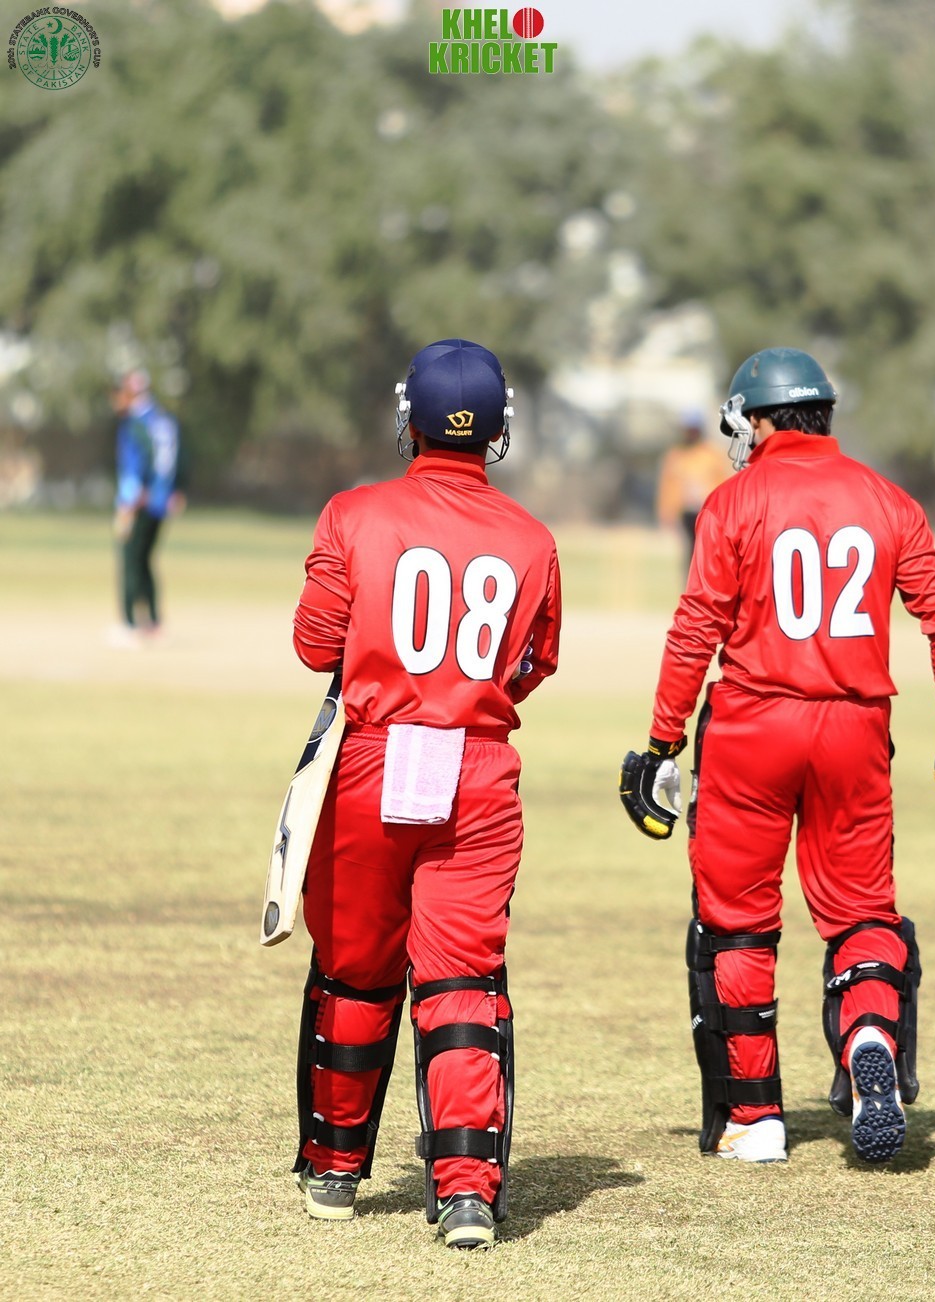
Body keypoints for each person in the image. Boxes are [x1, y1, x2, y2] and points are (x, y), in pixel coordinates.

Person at [619, 347, 935, 1166]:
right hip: (855, 729)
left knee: (737, 924)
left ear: (763, 420)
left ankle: (756, 1119)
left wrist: (661, 741)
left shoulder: (733, 501)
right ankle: (868, 1033)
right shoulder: (888, 498)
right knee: (862, 914)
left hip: (752, 726)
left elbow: (695, 630)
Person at [289, 339, 560, 1250]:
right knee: (461, 978)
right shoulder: (532, 539)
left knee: (355, 969)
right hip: (476, 764)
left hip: (373, 755)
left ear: (408, 420)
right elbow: (532, 665)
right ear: (498, 430)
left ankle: (334, 1170)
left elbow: (313, 645)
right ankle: (467, 1194)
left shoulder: (353, 513)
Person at [110, 369, 185, 644]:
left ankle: (130, 623)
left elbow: (143, 460)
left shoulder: (136, 423)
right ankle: (153, 622)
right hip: (160, 502)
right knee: (145, 559)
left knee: (130, 557)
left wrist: (136, 494)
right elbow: (179, 457)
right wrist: (175, 490)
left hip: (139, 500)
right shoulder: (164, 419)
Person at [655, 410, 729, 573]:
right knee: (690, 551)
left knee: (708, 551)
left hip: (708, 512)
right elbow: (668, 486)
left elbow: (723, 484)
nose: (690, 433)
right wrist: (666, 513)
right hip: (686, 512)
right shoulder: (676, 455)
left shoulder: (712, 454)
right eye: (687, 429)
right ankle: (691, 583)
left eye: (693, 429)